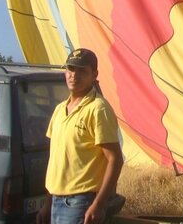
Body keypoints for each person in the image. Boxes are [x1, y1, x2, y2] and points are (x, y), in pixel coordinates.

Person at [37, 48, 123, 224]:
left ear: (94, 74)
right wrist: (48, 203)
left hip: (81, 203)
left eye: (82, 71)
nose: (74, 75)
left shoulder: (98, 109)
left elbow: (115, 160)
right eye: (71, 69)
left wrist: (99, 204)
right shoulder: (60, 110)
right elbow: (56, 161)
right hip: (57, 201)